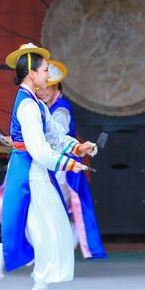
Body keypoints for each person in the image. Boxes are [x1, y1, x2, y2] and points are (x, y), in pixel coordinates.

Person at [0, 43, 97, 290]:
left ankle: (9, 255)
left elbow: (55, 135)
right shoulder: (28, 106)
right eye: (44, 70)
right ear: (31, 73)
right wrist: (69, 163)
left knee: (45, 224)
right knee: (45, 227)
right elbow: (40, 150)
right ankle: (39, 286)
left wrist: (78, 147)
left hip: (34, 169)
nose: (47, 75)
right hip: (31, 170)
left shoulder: (36, 103)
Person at [36, 60, 106, 259]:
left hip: (62, 170)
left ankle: (63, 243)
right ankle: (57, 245)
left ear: (56, 85)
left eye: (46, 88)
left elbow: (56, 139)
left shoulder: (61, 110)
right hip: (54, 165)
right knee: (49, 210)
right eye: (40, 88)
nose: (42, 92)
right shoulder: (46, 106)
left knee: (51, 209)